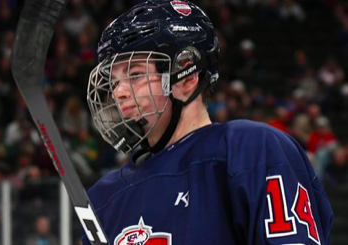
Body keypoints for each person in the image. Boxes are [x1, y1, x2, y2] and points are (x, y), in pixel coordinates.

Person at [83, 1, 333, 245]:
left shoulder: (251, 151)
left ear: (187, 76)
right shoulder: (103, 197)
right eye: (114, 81)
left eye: (135, 74)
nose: (118, 92)